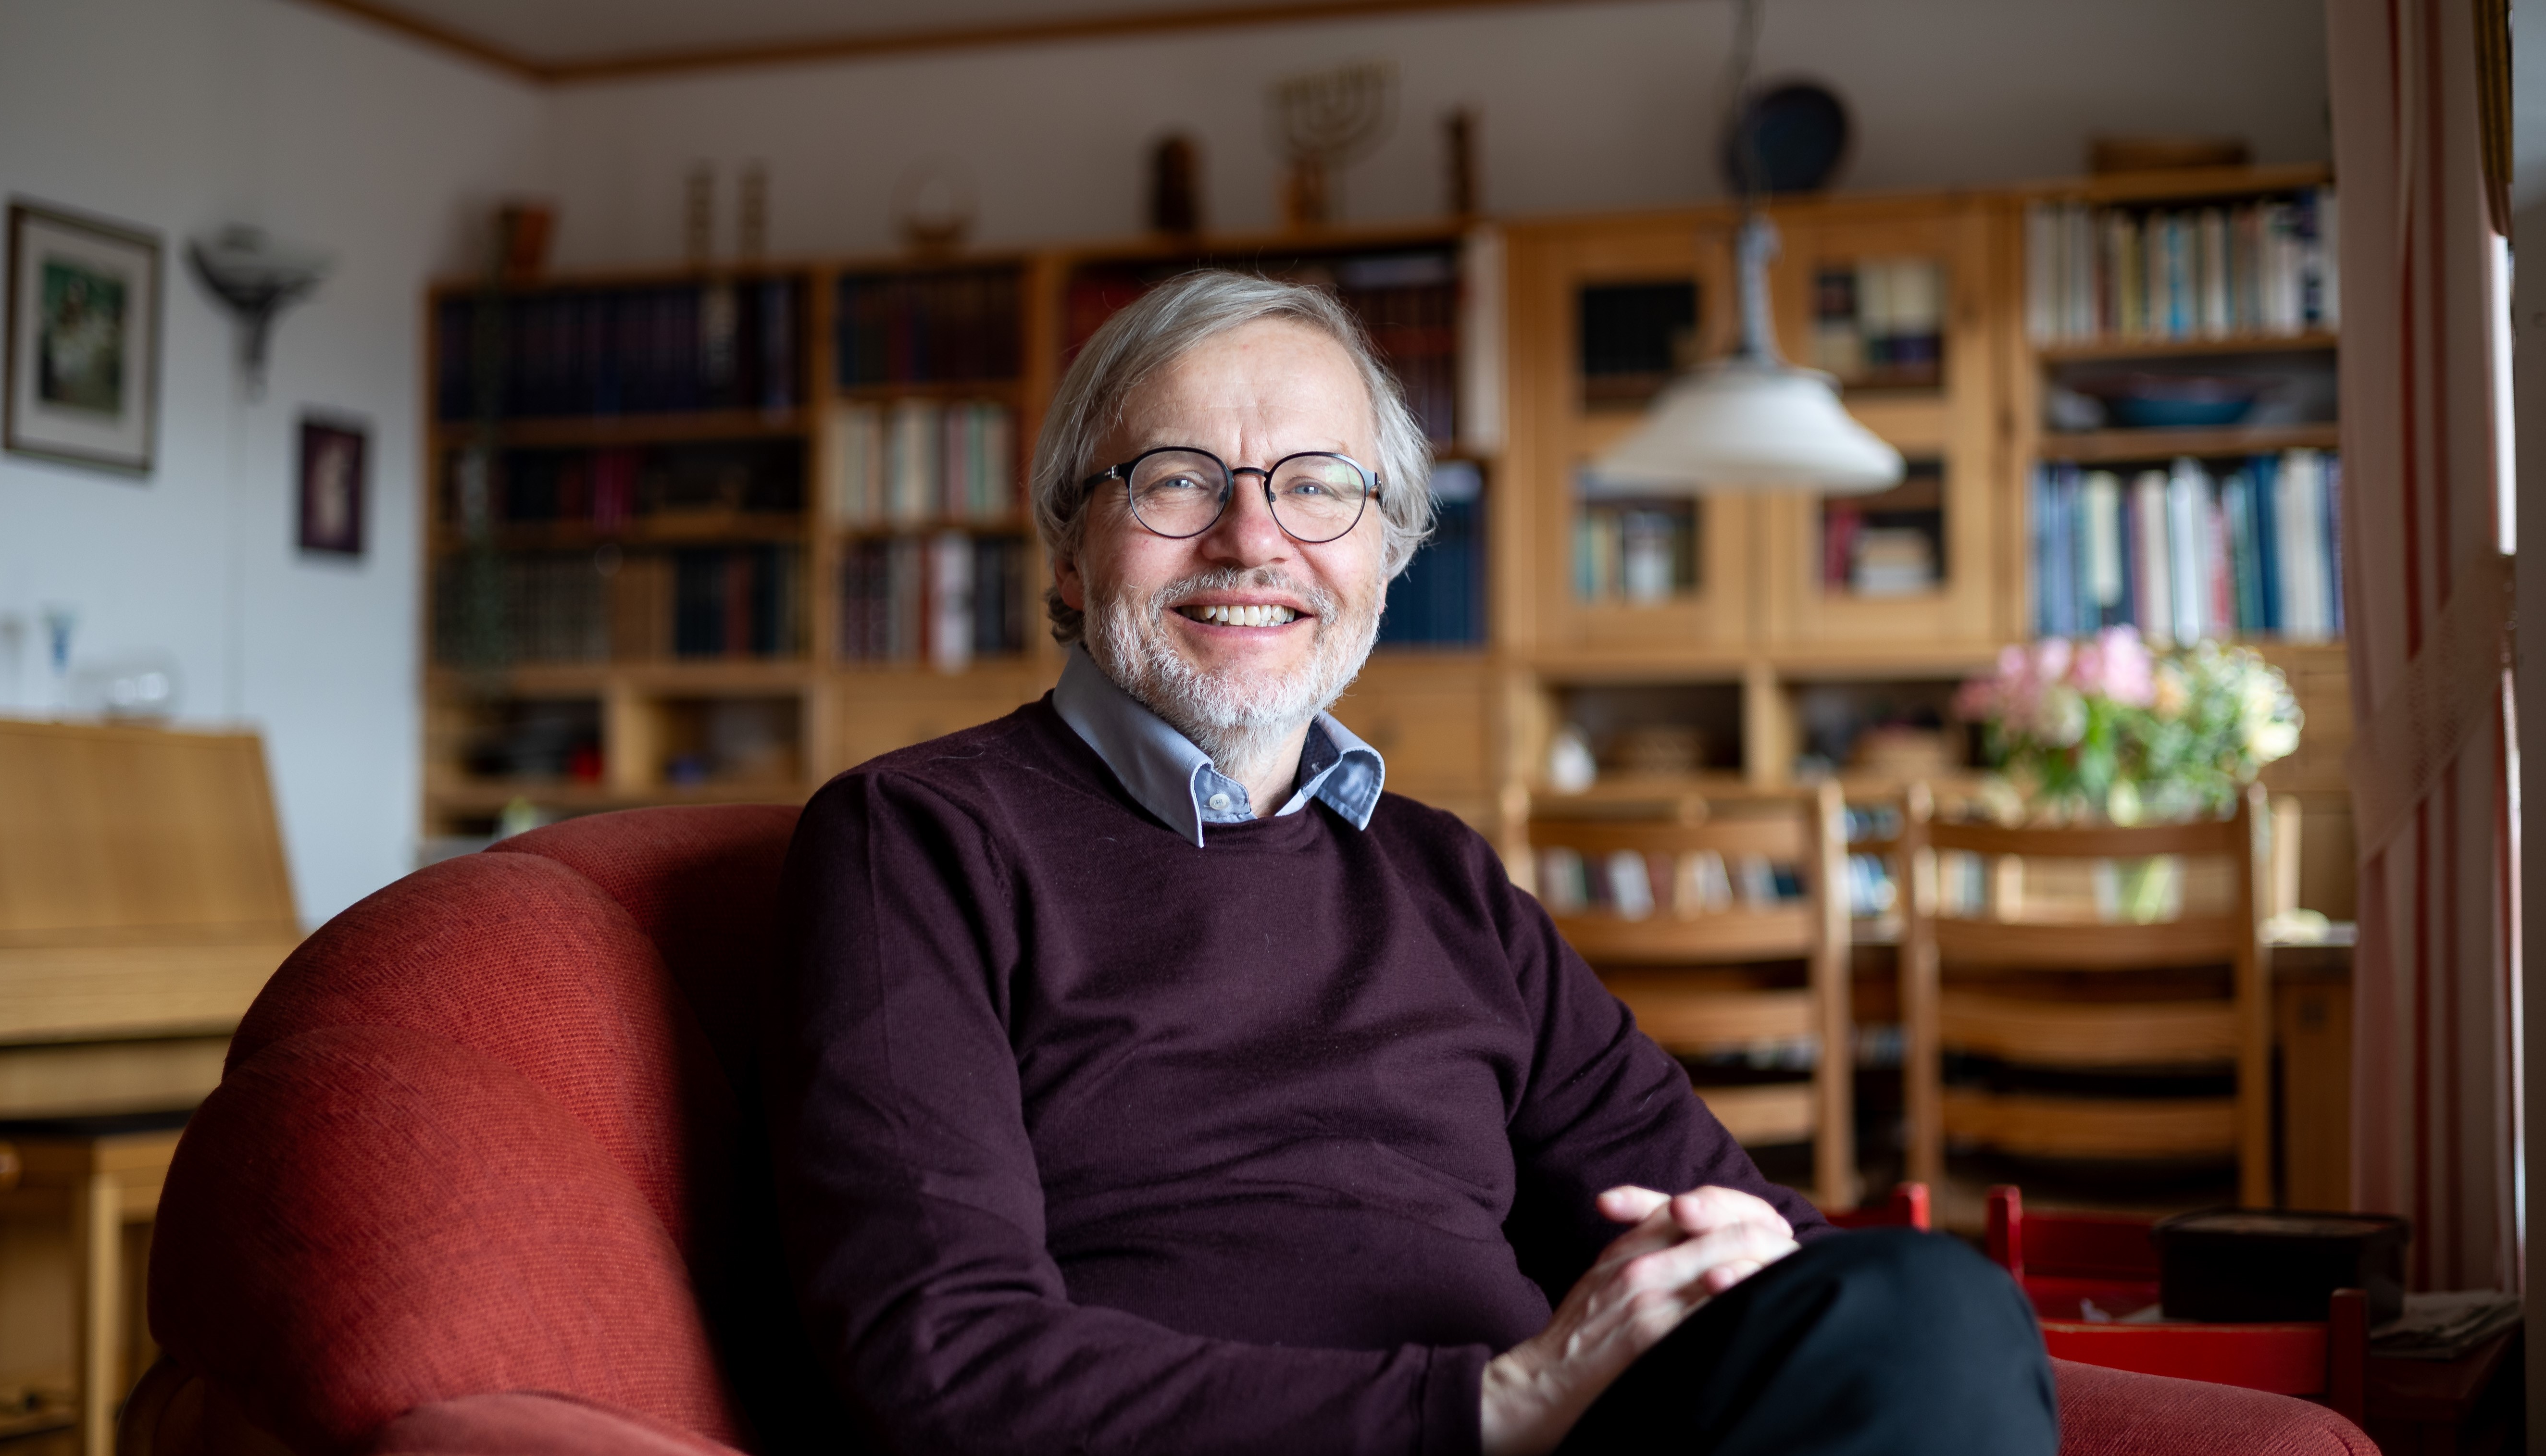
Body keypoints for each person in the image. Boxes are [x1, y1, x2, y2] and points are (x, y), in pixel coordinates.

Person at [768, 271, 2055, 1456]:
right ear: (1066, 546)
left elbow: (1717, 1219)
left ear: (1384, 554)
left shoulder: (1441, 874)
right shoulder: (919, 837)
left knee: (1929, 1302)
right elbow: (940, 1354)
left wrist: (1762, 1279)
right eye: (1173, 480)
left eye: (1318, 485)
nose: (1251, 539)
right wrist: (1489, 1408)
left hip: (1549, 1431)